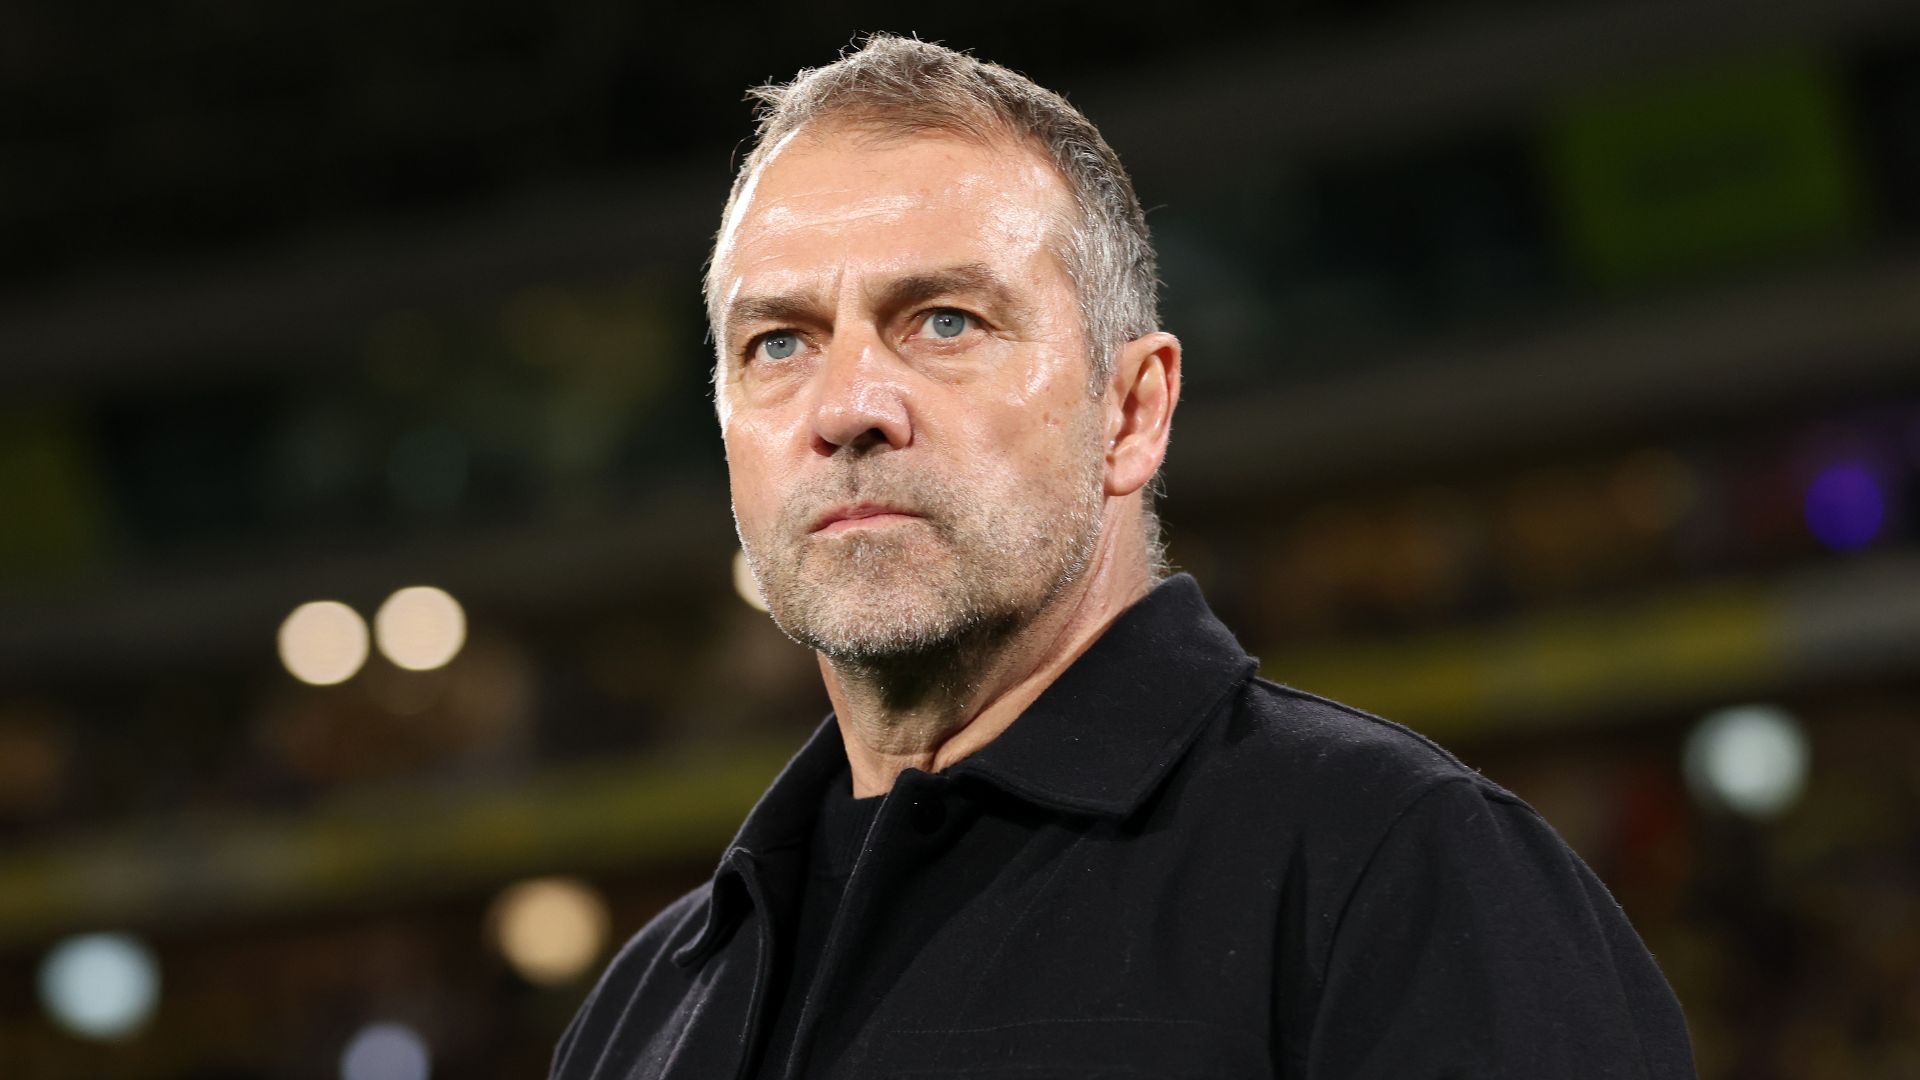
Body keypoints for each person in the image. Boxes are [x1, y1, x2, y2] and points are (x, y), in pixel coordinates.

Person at [552, 35, 1696, 1080]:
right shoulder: (642, 1016)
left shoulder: (1397, 873)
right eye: (780, 342)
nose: (847, 406)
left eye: (945, 320)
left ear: (1131, 411)